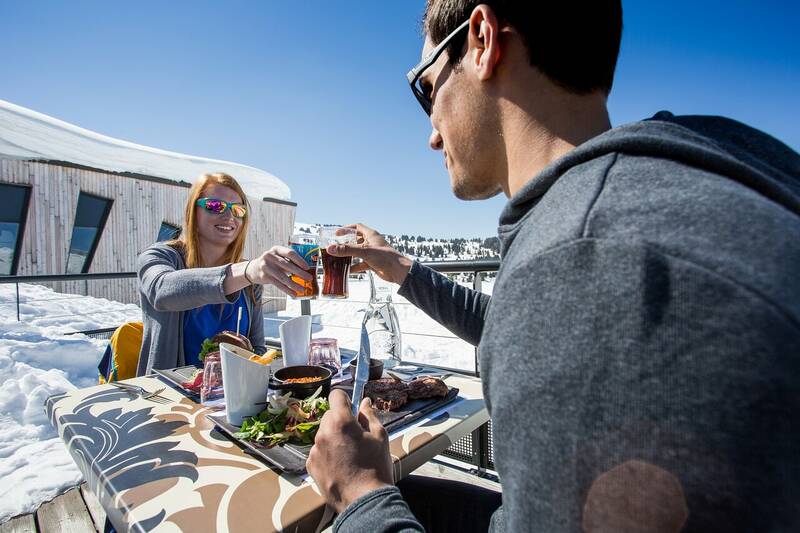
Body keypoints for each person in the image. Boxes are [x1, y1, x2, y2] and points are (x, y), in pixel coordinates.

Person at [306, 1, 800, 532]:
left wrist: (362, 495)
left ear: (482, 41)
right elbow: (525, 326)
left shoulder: (583, 258)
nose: (431, 132)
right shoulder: (687, 175)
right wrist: (402, 268)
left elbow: (564, 312)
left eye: (426, 87)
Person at [136, 172, 312, 375]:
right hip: (169, 395)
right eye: (215, 206)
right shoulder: (160, 256)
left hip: (230, 397)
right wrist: (246, 271)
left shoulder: (249, 280)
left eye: (238, 210)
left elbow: (257, 349)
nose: (229, 216)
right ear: (193, 211)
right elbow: (161, 291)